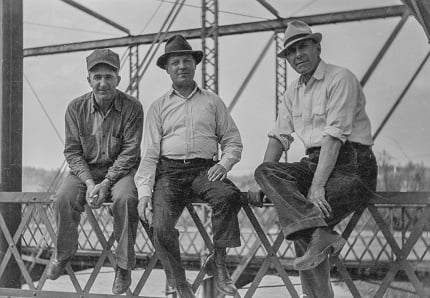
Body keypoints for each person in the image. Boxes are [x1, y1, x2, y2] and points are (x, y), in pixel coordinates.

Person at [252, 20, 378, 298]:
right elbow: (279, 137)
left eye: (303, 46)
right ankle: (321, 237)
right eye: (291, 52)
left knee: (305, 215)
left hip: (352, 164)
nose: (298, 55)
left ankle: (317, 292)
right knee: (266, 171)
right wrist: (263, 184)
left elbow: (334, 137)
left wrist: (318, 185)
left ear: (317, 47)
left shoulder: (340, 78)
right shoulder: (292, 92)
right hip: (315, 161)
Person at [134, 34, 243, 297]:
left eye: (186, 61)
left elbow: (233, 140)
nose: (181, 66)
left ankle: (218, 262)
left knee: (228, 195)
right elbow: (149, 153)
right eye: (175, 63)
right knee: (159, 225)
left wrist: (225, 164)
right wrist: (144, 194)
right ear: (167, 69)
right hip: (169, 173)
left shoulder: (212, 101)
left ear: (195, 65)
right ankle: (179, 282)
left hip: (204, 170)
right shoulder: (158, 107)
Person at [46, 48, 144, 295]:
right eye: (97, 76)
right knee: (63, 199)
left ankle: (123, 266)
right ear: (88, 79)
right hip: (86, 171)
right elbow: (72, 152)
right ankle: (63, 253)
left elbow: (130, 153)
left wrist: (107, 182)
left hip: (121, 171)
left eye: (109, 77)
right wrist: (90, 183)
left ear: (118, 80)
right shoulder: (75, 108)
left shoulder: (133, 108)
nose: (103, 83)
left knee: (126, 199)